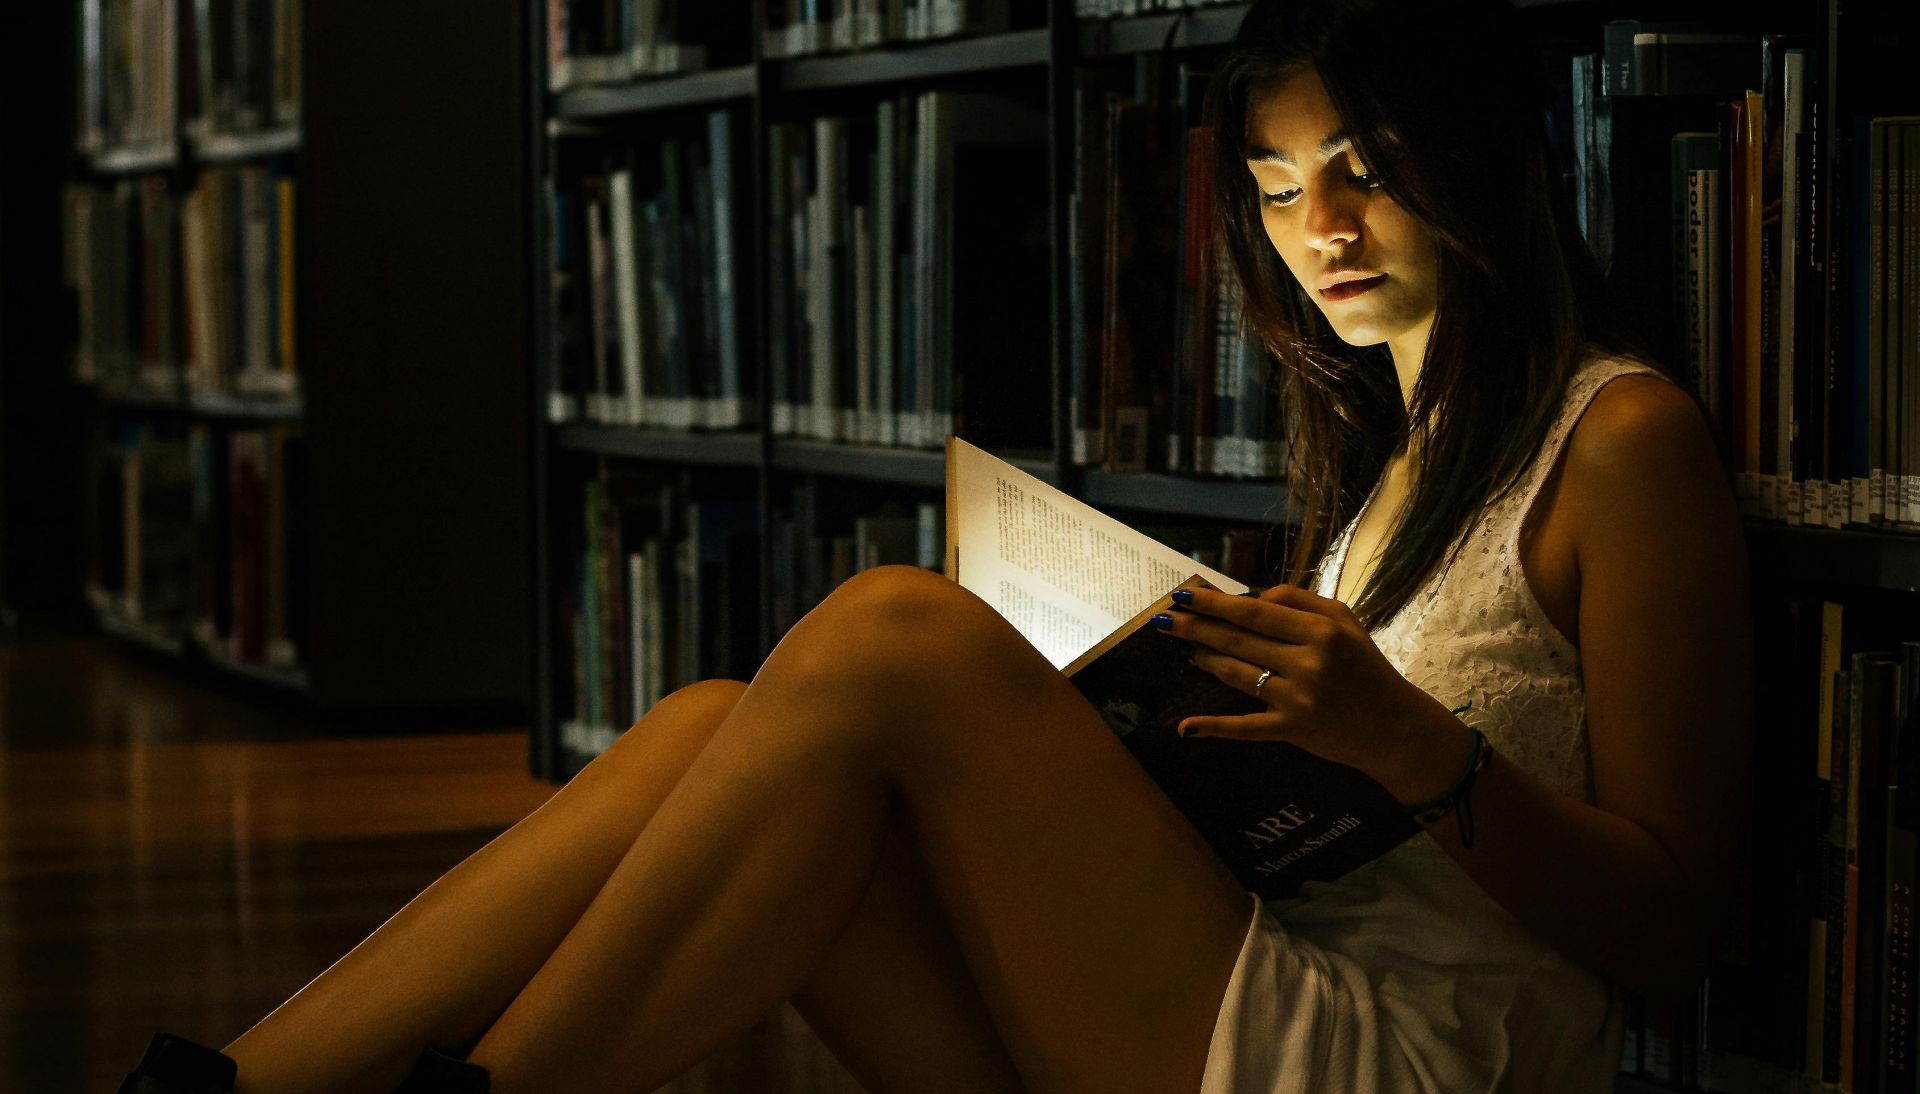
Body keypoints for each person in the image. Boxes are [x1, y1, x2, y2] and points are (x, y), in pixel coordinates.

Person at [117, 0, 1752, 1090]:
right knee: (707, 730)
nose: (1318, 230)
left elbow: (1676, 935)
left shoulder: (1621, 442)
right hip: (1238, 975)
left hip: (1402, 1056)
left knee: (904, 632)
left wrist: (1419, 753)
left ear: (1475, 166)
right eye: (1274, 188)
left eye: (1366, 175)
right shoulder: (1386, 460)